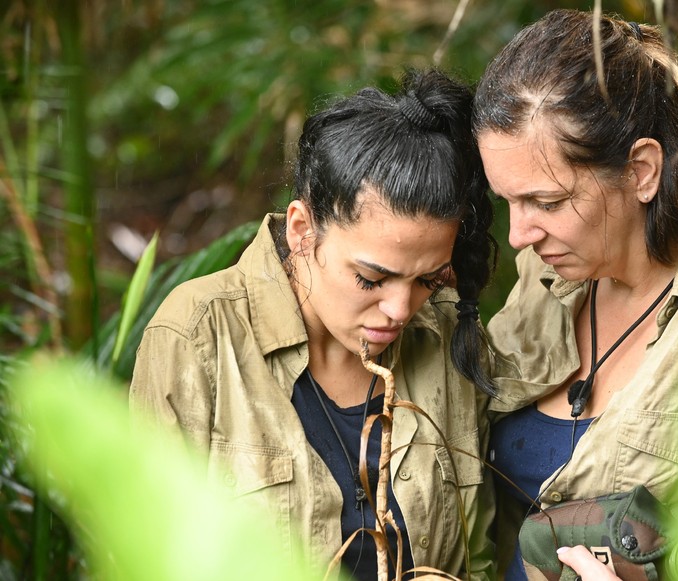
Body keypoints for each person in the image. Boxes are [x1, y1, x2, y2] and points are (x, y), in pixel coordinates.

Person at [129, 68, 497, 580]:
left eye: (428, 280)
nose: (401, 308)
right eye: (372, 278)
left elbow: (477, 557)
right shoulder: (198, 337)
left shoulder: (448, 335)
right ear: (303, 229)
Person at [472, 9, 678, 579]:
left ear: (641, 171)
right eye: (508, 201)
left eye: (548, 202)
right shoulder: (548, 273)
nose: (518, 236)